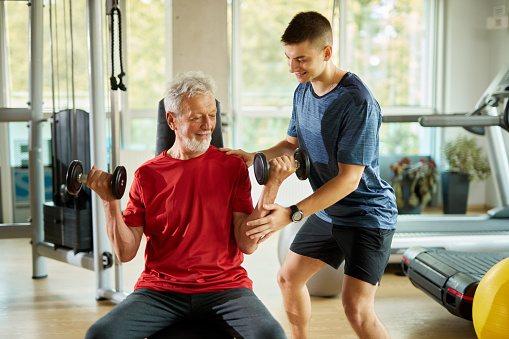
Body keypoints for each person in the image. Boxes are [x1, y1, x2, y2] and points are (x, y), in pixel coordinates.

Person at [221, 11, 398, 339]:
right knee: (288, 278)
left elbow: (349, 180)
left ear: (327, 53)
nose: (292, 68)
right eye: (288, 58)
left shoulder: (357, 101)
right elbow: (291, 143)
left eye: (301, 59)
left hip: (366, 214)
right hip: (331, 211)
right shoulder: (302, 92)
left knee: (356, 308)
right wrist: (254, 156)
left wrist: (291, 213)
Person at [84, 71, 289, 339]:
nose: (208, 125)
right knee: (100, 335)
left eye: (212, 115)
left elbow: (247, 244)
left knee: (272, 336)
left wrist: (272, 186)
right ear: (172, 120)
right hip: (161, 292)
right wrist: (109, 201)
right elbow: (125, 252)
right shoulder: (147, 175)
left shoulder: (232, 168)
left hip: (225, 288)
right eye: (196, 117)